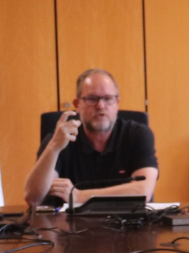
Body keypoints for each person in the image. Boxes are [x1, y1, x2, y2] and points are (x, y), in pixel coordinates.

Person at [23, 69, 160, 208]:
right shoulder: (59, 139)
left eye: (108, 99)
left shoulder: (138, 134)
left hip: (129, 225)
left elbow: (143, 191)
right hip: (69, 226)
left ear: (117, 103)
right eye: (91, 99)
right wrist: (53, 148)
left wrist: (78, 196)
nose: (100, 105)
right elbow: (34, 198)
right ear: (77, 105)